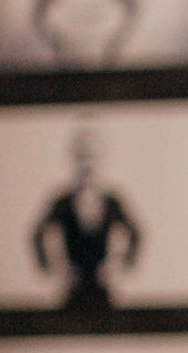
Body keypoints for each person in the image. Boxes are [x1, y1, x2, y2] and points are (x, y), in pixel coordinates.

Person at [30, 124, 142, 311]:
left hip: (104, 292)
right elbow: (36, 234)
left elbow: (136, 233)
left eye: (92, 156)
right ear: (73, 158)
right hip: (71, 292)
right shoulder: (63, 202)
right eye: (82, 156)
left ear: (101, 158)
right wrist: (55, 267)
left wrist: (118, 265)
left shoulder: (111, 201)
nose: (87, 164)